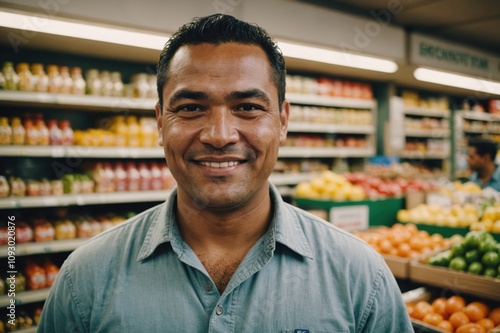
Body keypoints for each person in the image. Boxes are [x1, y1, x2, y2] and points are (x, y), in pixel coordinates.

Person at [38, 14, 413, 332]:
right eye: (190, 108)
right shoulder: (84, 280)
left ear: (282, 122)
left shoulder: (362, 278)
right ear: (159, 121)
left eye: (248, 107)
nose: (219, 136)